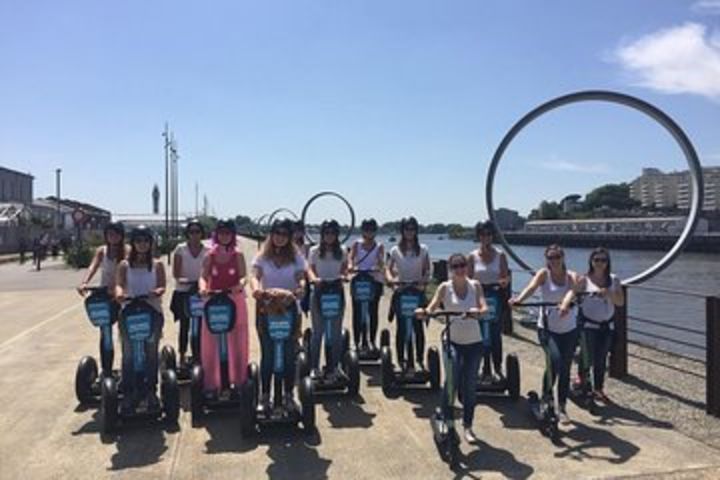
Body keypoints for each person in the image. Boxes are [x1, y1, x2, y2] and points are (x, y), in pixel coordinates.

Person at [417, 253, 488, 443]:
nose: (459, 269)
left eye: (462, 265)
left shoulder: (475, 286)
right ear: (451, 269)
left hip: (474, 343)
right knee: (451, 381)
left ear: (467, 267)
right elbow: (432, 306)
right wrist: (425, 312)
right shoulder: (444, 288)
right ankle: (446, 419)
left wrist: (478, 312)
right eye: (455, 266)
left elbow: (484, 308)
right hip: (452, 341)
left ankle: (468, 426)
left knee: (470, 386)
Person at [509, 244, 581, 425]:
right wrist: (519, 300)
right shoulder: (543, 274)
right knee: (554, 360)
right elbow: (531, 288)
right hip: (548, 328)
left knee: (565, 368)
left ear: (563, 257)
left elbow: (573, 291)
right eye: (550, 257)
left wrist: (565, 304)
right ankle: (546, 398)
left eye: (557, 257)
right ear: (546, 259)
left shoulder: (571, 276)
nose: (554, 260)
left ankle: (562, 407)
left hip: (569, 329)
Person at [250, 218, 307, 410]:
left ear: (290, 237)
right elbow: (255, 276)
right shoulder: (262, 256)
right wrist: (256, 289)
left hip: (289, 309)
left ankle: (289, 395)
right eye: (277, 233)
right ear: (271, 234)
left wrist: (300, 289)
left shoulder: (297, 256)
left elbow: (301, 279)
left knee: (289, 353)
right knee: (268, 354)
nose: (280, 238)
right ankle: (265, 396)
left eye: (284, 234)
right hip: (266, 308)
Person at [115, 225, 166, 412]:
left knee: (151, 353)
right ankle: (129, 393)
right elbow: (119, 285)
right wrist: (120, 294)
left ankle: (151, 391)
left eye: (145, 240)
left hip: (152, 312)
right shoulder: (124, 265)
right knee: (129, 354)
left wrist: (157, 291)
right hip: (129, 312)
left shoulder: (157, 264)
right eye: (138, 241)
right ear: (133, 243)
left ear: (150, 243)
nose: (142, 244)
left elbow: (162, 285)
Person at [198, 219, 249, 395]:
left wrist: (239, 285)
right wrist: (203, 288)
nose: (224, 236)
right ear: (216, 235)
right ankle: (213, 382)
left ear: (232, 235)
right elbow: (203, 276)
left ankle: (239, 379)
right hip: (214, 301)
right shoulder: (210, 255)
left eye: (228, 233)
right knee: (213, 340)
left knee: (236, 339)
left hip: (234, 300)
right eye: (221, 233)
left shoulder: (238, 255)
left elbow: (243, 276)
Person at [76, 222, 128, 376]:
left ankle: (128, 368)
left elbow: (125, 270)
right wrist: (85, 282)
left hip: (123, 295)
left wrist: (117, 288)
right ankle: (107, 370)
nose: (113, 237)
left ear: (121, 235)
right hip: (105, 295)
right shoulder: (102, 251)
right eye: (110, 234)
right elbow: (93, 266)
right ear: (106, 235)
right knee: (105, 333)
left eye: (116, 234)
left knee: (126, 332)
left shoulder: (126, 251)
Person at [575, 247, 624, 403]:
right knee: (586, 355)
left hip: (606, 326)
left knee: (601, 359)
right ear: (591, 261)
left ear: (607, 262)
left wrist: (609, 294)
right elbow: (574, 297)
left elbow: (620, 302)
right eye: (596, 260)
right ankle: (582, 381)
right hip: (588, 325)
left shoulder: (614, 280)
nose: (600, 263)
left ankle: (599, 389)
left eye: (603, 260)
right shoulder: (584, 279)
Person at [385, 216, 431, 370]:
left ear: (416, 231)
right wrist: (392, 281)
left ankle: (418, 359)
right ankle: (401, 359)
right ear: (402, 231)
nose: (409, 232)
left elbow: (427, 270)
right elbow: (388, 269)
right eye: (406, 229)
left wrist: (423, 282)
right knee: (402, 327)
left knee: (418, 327)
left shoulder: (423, 249)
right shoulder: (395, 250)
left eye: (412, 229)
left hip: (417, 292)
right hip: (402, 291)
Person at [468, 221, 510, 383]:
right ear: (479, 236)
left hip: (495, 298)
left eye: (489, 234)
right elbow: (468, 277)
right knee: (478, 334)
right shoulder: (472, 256)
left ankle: (497, 367)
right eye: (483, 234)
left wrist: (503, 282)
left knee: (494, 333)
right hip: (478, 297)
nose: (486, 237)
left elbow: (505, 276)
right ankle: (480, 368)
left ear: (492, 236)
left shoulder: (500, 255)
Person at [307, 220, 349, 379]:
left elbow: (345, 267)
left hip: (336, 292)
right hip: (319, 292)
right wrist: (314, 279)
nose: (329, 236)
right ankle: (314, 367)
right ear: (322, 234)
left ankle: (335, 366)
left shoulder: (343, 250)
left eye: (332, 233)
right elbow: (310, 269)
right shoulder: (314, 250)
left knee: (336, 332)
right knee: (318, 332)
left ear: (337, 235)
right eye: (326, 233)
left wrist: (345, 276)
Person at [170, 219, 210, 366]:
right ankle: (181, 355)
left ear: (202, 233)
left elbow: (210, 271)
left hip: (201, 292)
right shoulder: (180, 249)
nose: (194, 235)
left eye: (197, 232)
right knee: (184, 325)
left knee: (202, 325)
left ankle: (200, 356)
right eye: (191, 232)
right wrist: (184, 280)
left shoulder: (207, 250)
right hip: (184, 292)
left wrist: (204, 284)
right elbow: (176, 273)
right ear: (187, 233)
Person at [349, 218, 385, 351]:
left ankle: (372, 341)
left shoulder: (379, 245)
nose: (369, 232)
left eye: (371, 230)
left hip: (374, 281)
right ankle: (357, 341)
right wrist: (351, 266)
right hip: (359, 281)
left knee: (373, 312)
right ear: (362, 230)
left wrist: (379, 267)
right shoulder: (356, 244)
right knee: (357, 312)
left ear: (375, 231)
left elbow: (381, 261)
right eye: (366, 229)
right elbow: (351, 257)